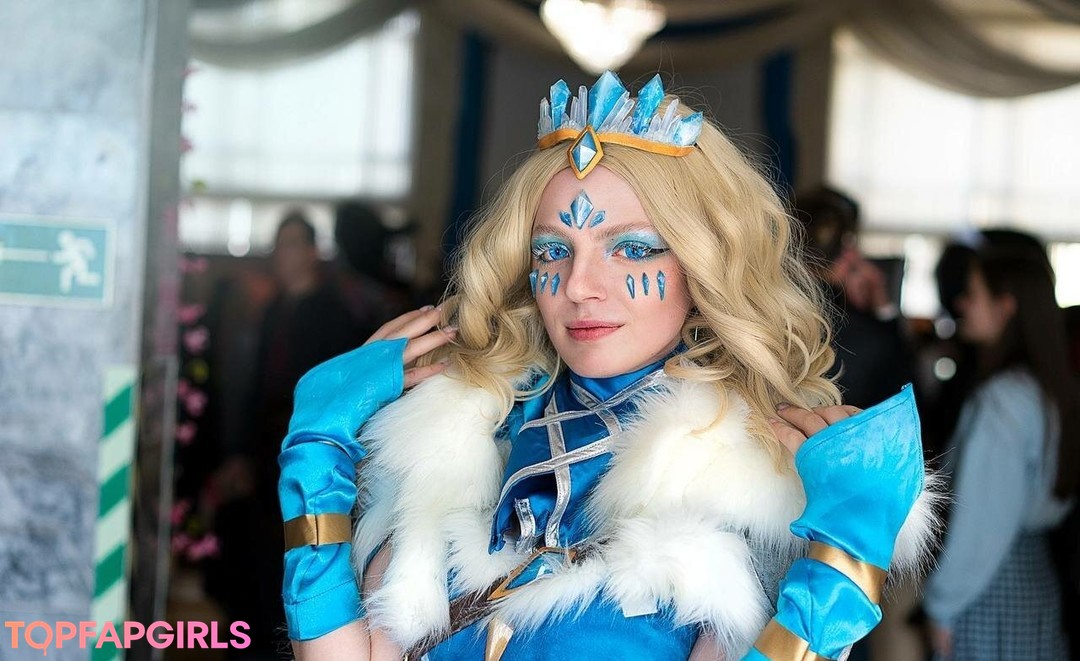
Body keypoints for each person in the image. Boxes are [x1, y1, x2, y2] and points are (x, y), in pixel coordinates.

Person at [277, 72, 939, 660]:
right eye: (552, 250)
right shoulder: (456, 438)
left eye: (631, 249)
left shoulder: (752, 487)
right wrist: (316, 447)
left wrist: (843, 569)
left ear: (700, 264)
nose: (579, 285)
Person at [211, 210, 365, 656]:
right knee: (258, 561)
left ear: (313, 253)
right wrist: (239, 453)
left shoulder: (334, 315)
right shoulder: (272, 310)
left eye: (293, 244)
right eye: (279, 245)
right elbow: (254, 389)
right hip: (265, 455)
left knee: (300, 556)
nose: (284, 255)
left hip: (309, 458)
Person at [923, 244, 1077, 660]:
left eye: (973, 294)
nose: (962, 304)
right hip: (1033, 584)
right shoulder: (1044, 389)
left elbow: (982, 524)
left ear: (1005, 306)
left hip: (987, 592)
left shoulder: (1003, 402)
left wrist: (941, 605)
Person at [794, 187, 915, 411]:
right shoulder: (869, 338)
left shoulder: (763, 311)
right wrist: (883, 311)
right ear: (848, 252)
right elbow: (905, 402)